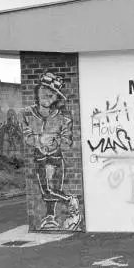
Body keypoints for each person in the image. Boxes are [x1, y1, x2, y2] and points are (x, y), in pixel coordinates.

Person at [22, 71, 81, 230]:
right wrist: (39, 139)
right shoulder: (28, 114)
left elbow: (68, 142)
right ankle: (54, 214)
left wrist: (56, 140)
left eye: (52, 94)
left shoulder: (63, 118)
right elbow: (26, 136)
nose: (47, 95)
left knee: (51, 189)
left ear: (56, 98)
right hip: (39, 157)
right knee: (45, 191)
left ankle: (65, 204)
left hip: (55, 157)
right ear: (38, 91)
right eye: (44, 90)